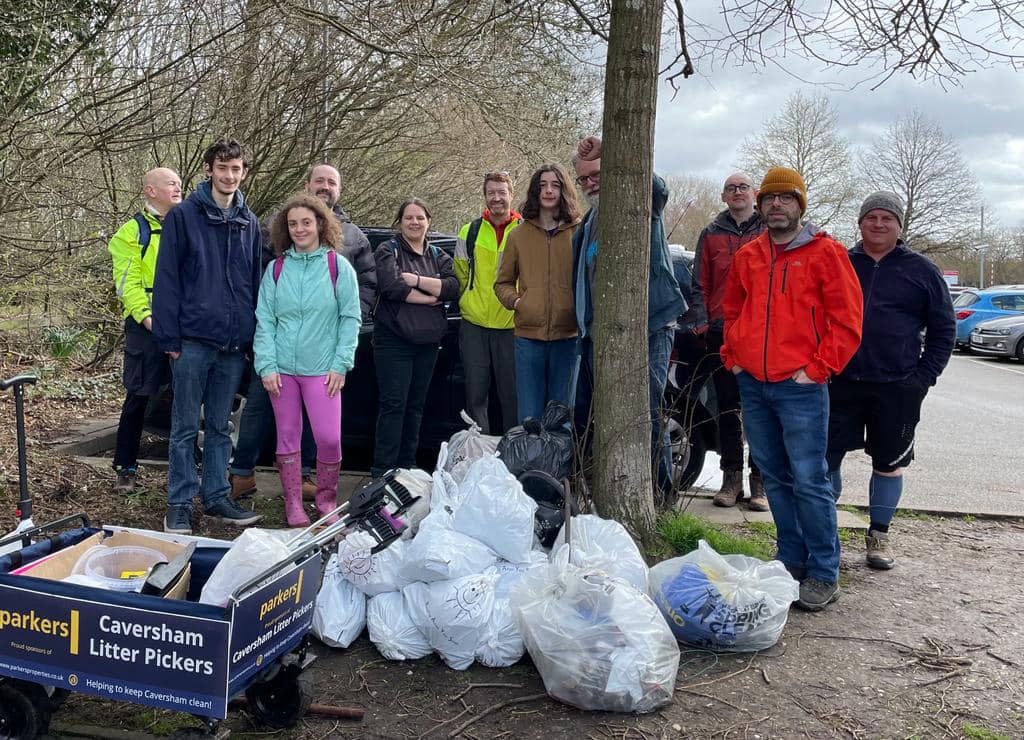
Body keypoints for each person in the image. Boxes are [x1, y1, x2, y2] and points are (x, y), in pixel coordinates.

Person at [721, 166, 863, 611]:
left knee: (809, 479)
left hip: (800, 387)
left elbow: (848, 322)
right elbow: (732, 311)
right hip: (755, 385)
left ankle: (824, 571)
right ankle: (791, 559)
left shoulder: (826, 253)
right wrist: (734, 357)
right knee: (776, 477)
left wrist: (817, 370)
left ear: (800, 204)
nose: (776, 205)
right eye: (770, 199)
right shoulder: (749, 256)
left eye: (786, 198)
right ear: (760, 206)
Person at [228, 163, 376, 499]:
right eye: (319, 180)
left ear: (339, 189)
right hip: (277, 345)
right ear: (307, 184)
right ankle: (242, 473)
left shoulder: (353, 236)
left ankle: (307, 480)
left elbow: (366, 285)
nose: (325, 186)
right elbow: (260, 277)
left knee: (319, 425)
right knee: (259, 409)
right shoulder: (278, 226)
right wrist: (262, 338)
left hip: (322, 350)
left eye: (331, 181)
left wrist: (343, 327)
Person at [827, 192, 955, 569]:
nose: (878, 224)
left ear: (899, 225)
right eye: (871, 217)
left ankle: (878, 535)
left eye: (887, 218)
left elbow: (944, 330)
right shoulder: (842, 263)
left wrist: (922, 379)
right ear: (861, 222)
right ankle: (824, 530)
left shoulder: (922, 270)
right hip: (841, 382)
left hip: (897, 387)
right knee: (826, 459)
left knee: (888, 463)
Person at [152, 138, 264, 535]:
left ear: (243, 173)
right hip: (192, 342)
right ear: (209, 170)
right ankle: (179, 505)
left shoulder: (249, 222)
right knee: (184, 427)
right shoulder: (183, 217)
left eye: (236, 169)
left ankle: (216, 496)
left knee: (220, 426)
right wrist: (169, 339)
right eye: (222, 168)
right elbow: (166, 280)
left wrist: (250, 338)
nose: (229, 175)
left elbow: (253, 281)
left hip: (233, 345)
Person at [571, 137, 686, 501]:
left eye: (597, 174)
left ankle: (661, 493)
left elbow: (658, 189)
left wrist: (613, 147)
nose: (590, 183)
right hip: (598, 333)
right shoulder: (589, 221)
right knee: (595, 414)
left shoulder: (638, 203)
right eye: (583, 179)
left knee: (646, 411)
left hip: (650, 326)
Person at [254, 193, 361, 526]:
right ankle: (293, 503)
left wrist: (341, 363)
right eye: (292, 224)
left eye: (306, 222)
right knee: (287, 437)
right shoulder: (276, 269)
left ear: (320, 224)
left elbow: (350, 317)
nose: (299, 229)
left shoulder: (337, 266)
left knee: (329, 438)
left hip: (323, 370)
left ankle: (326, 500)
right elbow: (265, 320)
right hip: (282, 371)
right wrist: (267, 366)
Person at [692, 172, 768, 510]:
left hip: (763, 333)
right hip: (723, 333)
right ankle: (731, 479)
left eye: (743, 187)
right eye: (731, 188)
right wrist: (702, 322)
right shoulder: (710, 234)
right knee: (728, 409)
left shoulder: (769, 230)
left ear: (754, 195)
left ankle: (761, 483)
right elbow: (699, 283)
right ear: (723, 196)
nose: (737, 192)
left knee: (762, 410)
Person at [371, 198, 459, 477]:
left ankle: (407, 467)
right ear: (400, 222)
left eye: (419, 217)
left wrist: (417, 280)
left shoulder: (439, 256)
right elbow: (392, 286)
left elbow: (452, 287)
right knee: (393, 405)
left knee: (416, 406)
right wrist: (428, 298)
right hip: (393, 341)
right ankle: (383, 469)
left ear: (428, 222)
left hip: (428, 343)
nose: (414, 222)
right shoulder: (388, 250)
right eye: (408, 218)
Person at [107, 167, 182, 492]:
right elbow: (128, 284)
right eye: (171, 183)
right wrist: (150, 318)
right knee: (139, 394)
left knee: (187, 397)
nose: (178, 188)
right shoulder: (129, 232)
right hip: (145, 325)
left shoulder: (186, 225)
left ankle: (186, 469)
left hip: (182, 322)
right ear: (151, 190)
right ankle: (126, 467)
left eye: (180, 183)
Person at [494, 164, 582, 422]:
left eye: (555, 185)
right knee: (529, 418)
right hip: (528, 338)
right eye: (543, 185)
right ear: (535, 191)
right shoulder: (518, 235)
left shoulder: (578, 232)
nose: (548, 190)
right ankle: (530, 464)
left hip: (568, 337)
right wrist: (520, 302)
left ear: (564, 190)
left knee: (561, 416)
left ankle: (559, 464)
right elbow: (502, 283)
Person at [454, 172, 522, 434]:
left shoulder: (525, 230)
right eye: (491, 192)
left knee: (512, 397)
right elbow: (460, 274)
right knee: (475, 397)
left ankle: (512, 455)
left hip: (511, 324)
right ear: (485, 196)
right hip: (475, 325)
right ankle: (478, 455)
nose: (496, 198)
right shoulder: (468, 232)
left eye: (501, 192)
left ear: (511, 195)